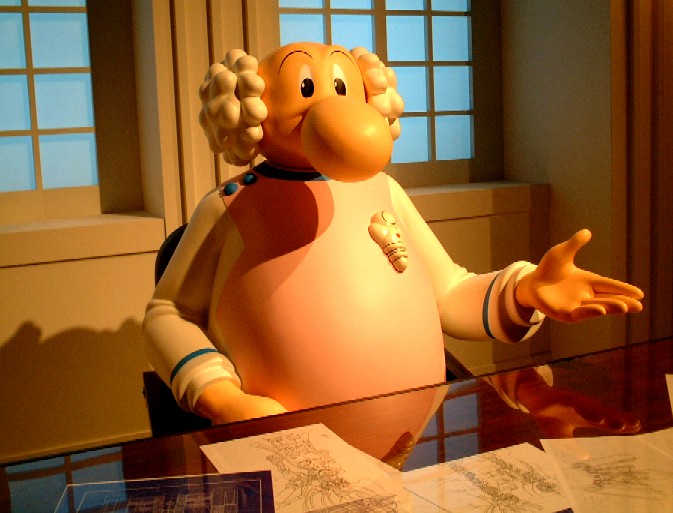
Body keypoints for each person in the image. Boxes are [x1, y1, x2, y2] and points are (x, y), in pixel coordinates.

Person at [143, 42, 643, 426]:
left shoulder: (384, 190)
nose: (331, 104)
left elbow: (448, 293)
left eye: (341, 87)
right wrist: (221, 397)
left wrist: (524, 290)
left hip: (413, 439)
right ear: (255, 106)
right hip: (288, 446)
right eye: (308, 85)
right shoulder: (231, 205)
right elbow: (169, 314)